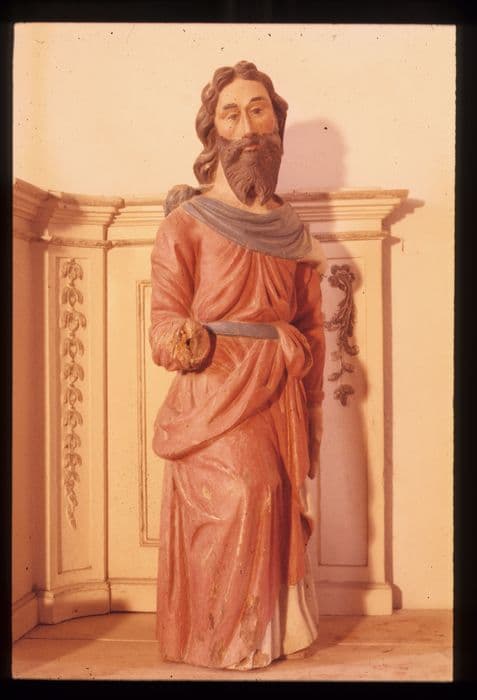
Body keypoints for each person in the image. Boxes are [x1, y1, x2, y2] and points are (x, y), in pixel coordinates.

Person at [149, 60, 326, 670]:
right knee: (251, 489)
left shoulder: (292, 230)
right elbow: (163, 325)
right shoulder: (187, 223)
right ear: (213, 133)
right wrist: (185, 339)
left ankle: (264, 635)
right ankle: (221, 638)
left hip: (280, 389)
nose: (247, 127)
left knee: (277, 496)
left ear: (276, 125)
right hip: (214, 389)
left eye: (258, 111)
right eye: (231, 114)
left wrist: (315, 409)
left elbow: (312, 326)